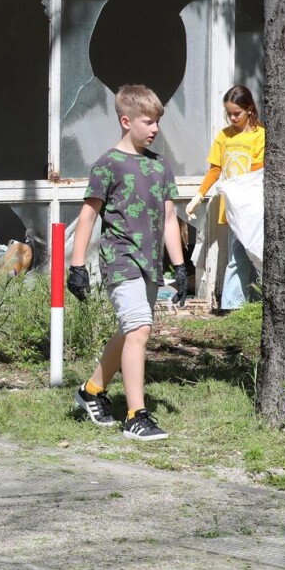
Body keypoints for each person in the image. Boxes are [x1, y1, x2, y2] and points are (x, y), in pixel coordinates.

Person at [67, 84, 188, 442]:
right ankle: (136, 415)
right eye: (148, 121)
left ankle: (91, 390)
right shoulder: (107, 164)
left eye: (157, 122)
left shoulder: (159, 166)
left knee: (129, 331)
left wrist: (180, 267)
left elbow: (168, 218)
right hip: (120, 260)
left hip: (151, 264)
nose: (155, 129)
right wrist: (76, 267)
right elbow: (88, 216)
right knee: (139, 330)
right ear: (126, 121)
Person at [186, 85, 264, 312]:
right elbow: (215, 169)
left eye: (236, 113)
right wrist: (198, 196)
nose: (232, 117)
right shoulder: (224, 136)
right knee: (237, 255)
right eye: (228, 113)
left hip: (252, 206)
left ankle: (241, 305)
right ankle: (235, 306)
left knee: (250, 254)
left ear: (249, 109)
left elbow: (257, 171)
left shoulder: (260, 135)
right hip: (232, 207)